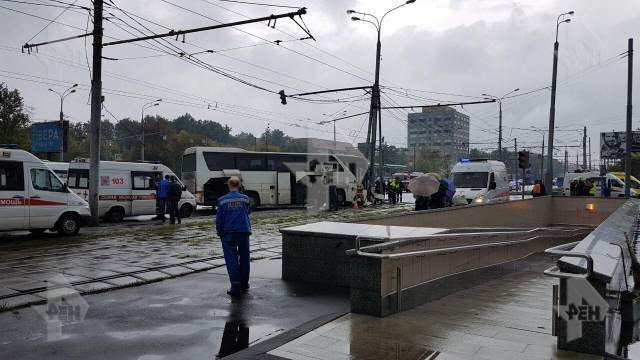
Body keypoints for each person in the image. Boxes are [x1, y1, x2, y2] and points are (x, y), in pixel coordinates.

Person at [216, 177, 252, 296]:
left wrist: (219, 232)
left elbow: (219, 219)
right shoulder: (246, 199)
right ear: (239, 185)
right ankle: (244, 284)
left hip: (228, 233)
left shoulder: (222, 201)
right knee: (245, 259)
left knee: (231, 260)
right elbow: (248, 212)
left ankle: (235, 287)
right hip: (243, 231)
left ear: (228, 185)